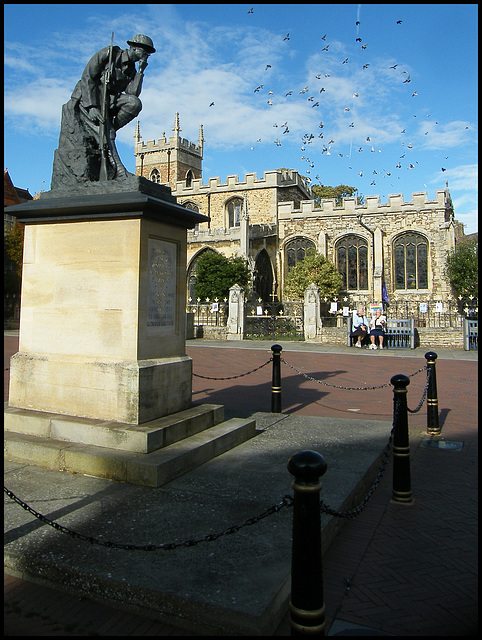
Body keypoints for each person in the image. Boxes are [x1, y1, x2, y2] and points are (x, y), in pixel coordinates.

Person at [51, 34, 156, 189]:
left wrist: (140, 71)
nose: (147, 55)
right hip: (87, 100)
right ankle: (119, 169)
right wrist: (91, 107)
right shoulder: (109, 54)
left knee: (134, 104)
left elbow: (133, 93)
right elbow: (87, 77)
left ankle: (109, 129)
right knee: (105, 130)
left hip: (109, 101)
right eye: (145, 51)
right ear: (134, 48)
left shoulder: (132, 69)